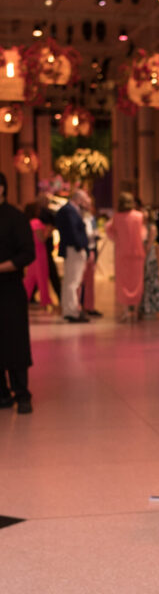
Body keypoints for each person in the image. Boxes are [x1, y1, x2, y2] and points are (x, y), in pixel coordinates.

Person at [0, 172, 35, 414]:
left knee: (15, 341)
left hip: (10, 288)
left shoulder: (15, 217)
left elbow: (27, 253)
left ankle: (22, 393)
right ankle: (2, 393)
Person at [106, 192, 147, 322]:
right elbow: (143, 234)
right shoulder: (139, 216)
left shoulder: (116, 217)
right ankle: (135, 311)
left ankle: (125, 312)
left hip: (122, 253)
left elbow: (108, 230)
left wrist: (117, 239)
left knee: (122, 282)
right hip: (137, 252)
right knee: (137, 282)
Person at [54, 188, 93, 323]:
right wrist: (80, 246)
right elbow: (73, 231)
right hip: (74, 249)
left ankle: (68, 310)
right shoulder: (69, 211)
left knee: (69, 281)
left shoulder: (69, 210)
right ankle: (72, 311)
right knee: (73, 282)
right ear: (79, 199)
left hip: (72, 248)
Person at [23, 201, 52, 310]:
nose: (40, 211)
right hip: (39, 253)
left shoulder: (30, 222)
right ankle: (45, 300)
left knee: (31, 278)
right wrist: (48, 231)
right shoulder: (36, 222)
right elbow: (41, 239)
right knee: (41, 277)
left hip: (35, 252)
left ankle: (24, 298)